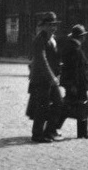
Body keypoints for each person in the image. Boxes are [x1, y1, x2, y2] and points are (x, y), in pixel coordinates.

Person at [26, 12, 63, 143]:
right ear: (44, 26)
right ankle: (37, 135)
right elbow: (42, 60)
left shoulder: (52, 38)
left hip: (50, 78)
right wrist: (52, 77)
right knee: (42, 107)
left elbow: (54, 58)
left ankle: (49, 131)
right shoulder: (40, 39)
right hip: (41, 78)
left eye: (54, 25)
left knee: (58, 103)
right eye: (50, 25)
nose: (53, 27)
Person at [56, 25, 88, 139]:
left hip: (76, 84)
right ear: (80, 37)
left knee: (71, 107)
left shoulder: (72, 47)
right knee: (75, 107)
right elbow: (73, 69)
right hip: (77, 85)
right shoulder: (74, 49)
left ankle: (81, 132)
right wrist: (73, 85)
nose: (84, 38)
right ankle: (81, 133)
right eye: (83, 36)